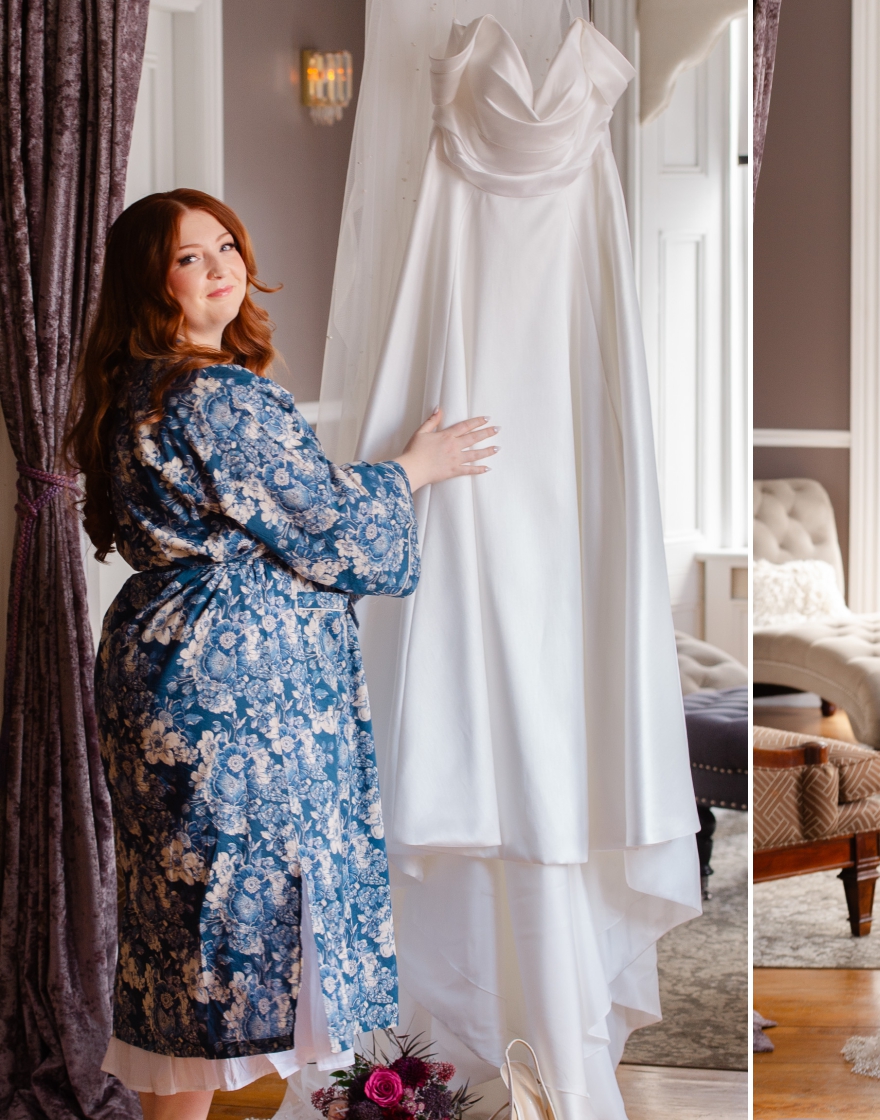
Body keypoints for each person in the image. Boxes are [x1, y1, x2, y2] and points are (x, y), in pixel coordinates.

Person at [64, 189, 495, 1120]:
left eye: (226, 245)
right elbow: (328, 523)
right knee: (241, 922)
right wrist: (417, 468)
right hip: (234, 687)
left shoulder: (129, 389)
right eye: (189, 257)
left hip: (160, 668)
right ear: (151, 280)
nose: (219, 266)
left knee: (187, 930)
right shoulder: (216, 394)